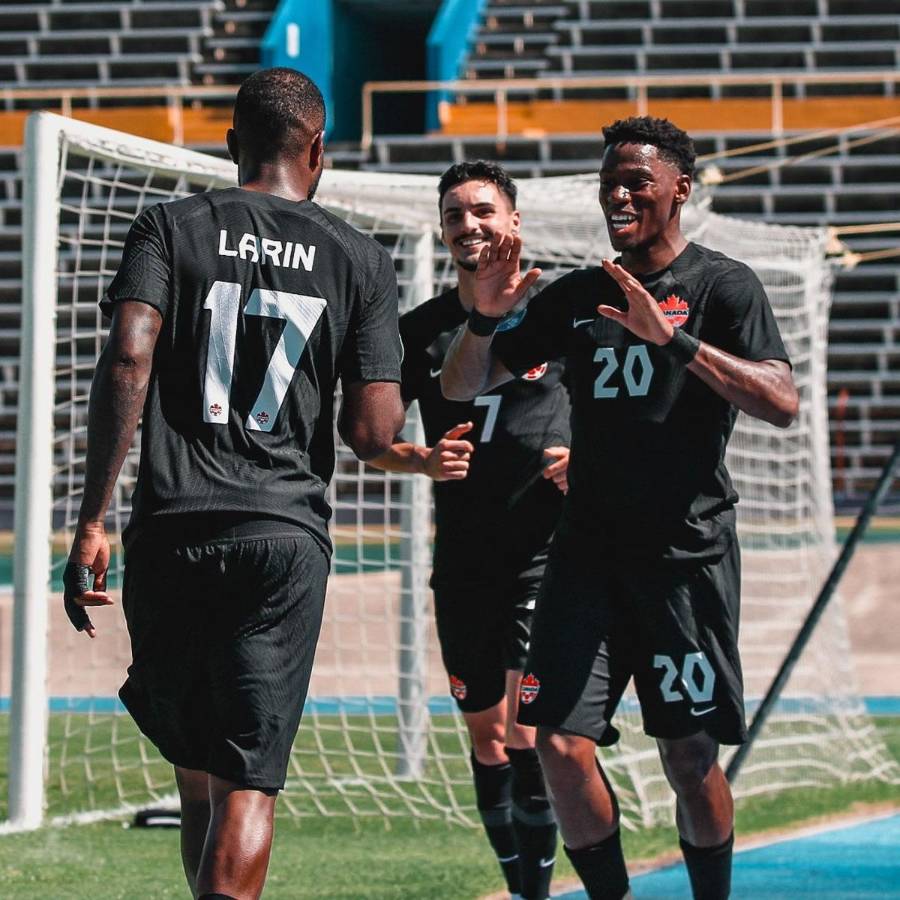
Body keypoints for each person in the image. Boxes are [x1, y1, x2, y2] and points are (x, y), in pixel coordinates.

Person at [62, 67, 405, 900]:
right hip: (282, 535)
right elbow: (372, 434)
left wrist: (93, 519)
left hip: (172, 527)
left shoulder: (168, 225)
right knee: (246, 781)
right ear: (317, 150)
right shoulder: (359, 257)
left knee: (196, 771)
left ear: (230, 144)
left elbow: (129, 357)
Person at [441, 117, 799, 900]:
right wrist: (485, 317)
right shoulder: (579, 295)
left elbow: (781, 400)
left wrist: (673, 341)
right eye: (610, 184)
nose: (620, 196)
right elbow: (461, 384)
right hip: (585, 562)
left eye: (637, 182)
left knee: (689, 757)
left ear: (681, 189)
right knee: (556, 746)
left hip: (684, 561)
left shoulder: (723, 286)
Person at [369, 161, 569, 900]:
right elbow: (370, 440)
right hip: (462, 560)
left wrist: (587, 457)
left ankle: (539, 892)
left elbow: (616, 411)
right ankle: (519, 885)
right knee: (486, 736)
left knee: (527, 731)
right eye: (454, 214)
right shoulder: (419, 331)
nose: (469, 225)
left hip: (545, 554)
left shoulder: (560, 312)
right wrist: (419, 460)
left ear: (514, 221)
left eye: (483, 210)